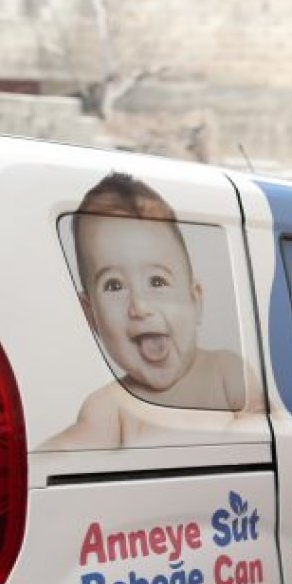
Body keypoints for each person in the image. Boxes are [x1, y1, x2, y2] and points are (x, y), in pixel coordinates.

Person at [47, 172, 257, 450]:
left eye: (157, 281)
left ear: (195, 301)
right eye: (114, 285)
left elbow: (268, 425)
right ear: (91, 316)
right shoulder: (111, 408)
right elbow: (57, 456)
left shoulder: (226, 373)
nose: (139, 307)